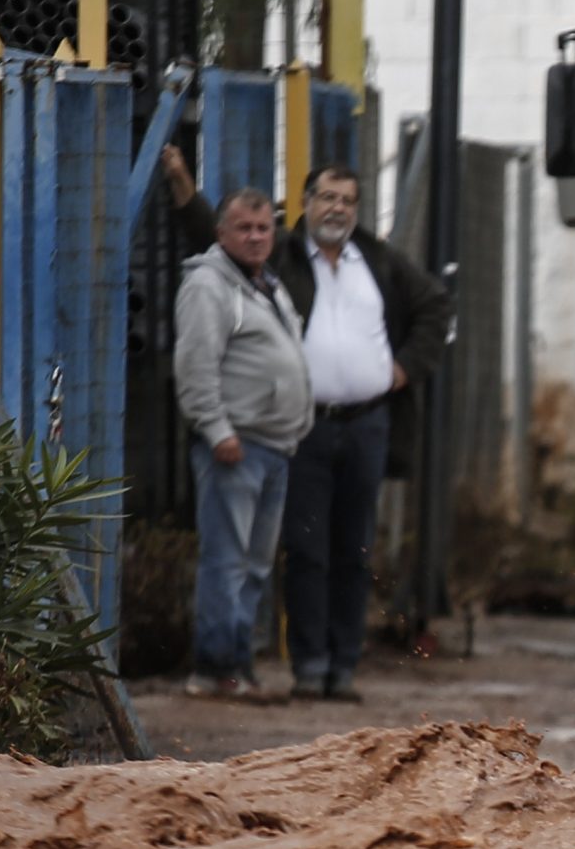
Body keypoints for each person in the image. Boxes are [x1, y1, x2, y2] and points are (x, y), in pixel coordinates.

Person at [269, 167, 452, 701]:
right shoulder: (283, 257)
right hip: (305, 424)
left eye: (348, 200)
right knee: (306, 548)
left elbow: (435, 305)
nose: (338, 208)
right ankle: (309, 665)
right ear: (306, 201)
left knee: (355, 550)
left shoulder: (377, 261)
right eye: (328, 197)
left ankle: (344, 665)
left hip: (368, 423)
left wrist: (404, 368)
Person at [174, 188, 313, 701]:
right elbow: (195, 364)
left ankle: (239, 663)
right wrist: (217, 429)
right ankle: (214, 669)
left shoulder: (266, 283)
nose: (255, 237)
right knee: (227, 561)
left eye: (263, 228)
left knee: (255, 565)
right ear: (221, 233)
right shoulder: (209, 285)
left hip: (274, 446)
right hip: (236, 447)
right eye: (244, 228)